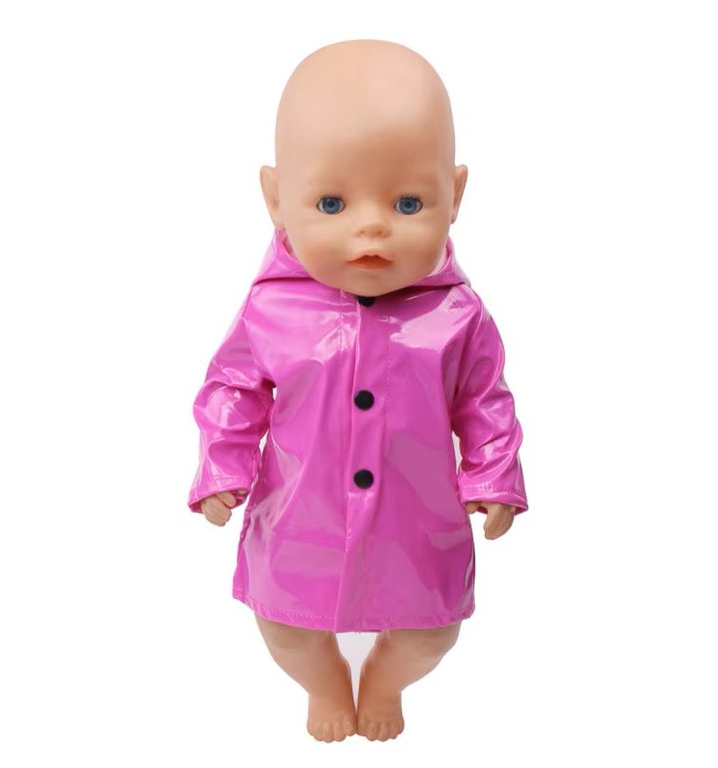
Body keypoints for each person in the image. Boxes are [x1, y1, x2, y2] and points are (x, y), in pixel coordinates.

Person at [188, 39, 527, 742]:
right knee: (284, 626)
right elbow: (233, 390)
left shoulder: (458, 316)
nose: (371, 225)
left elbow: (485, 402)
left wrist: (493, 476)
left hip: (418, 523)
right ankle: (323, 682)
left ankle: (386, 678)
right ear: (276, 199)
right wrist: (222, 468)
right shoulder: (271, 309)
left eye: (408, 201)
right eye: (331, 202)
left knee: (432, 633)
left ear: (455, 196)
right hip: (298, 517)